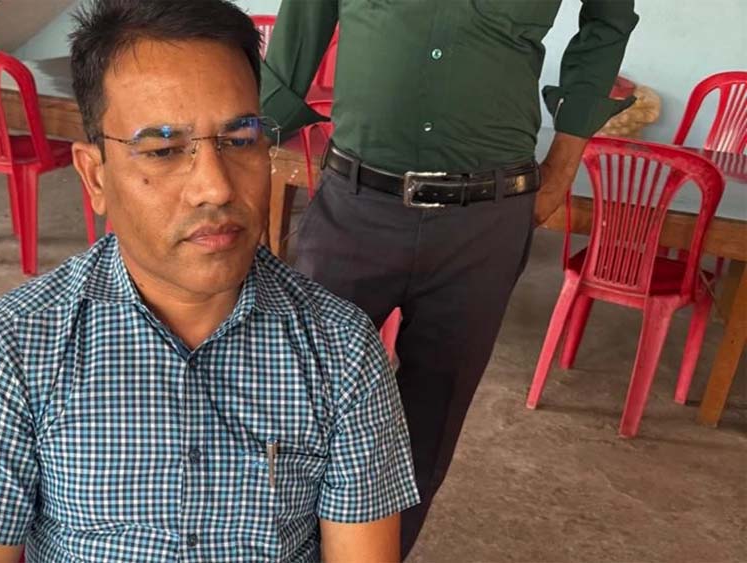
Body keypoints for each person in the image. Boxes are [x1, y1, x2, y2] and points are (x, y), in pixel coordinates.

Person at [0, 1, 418, 561]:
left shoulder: (341, 350)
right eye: (164, 150)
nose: (215, 188)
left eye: (240, 139)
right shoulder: (17, 347)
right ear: (95, 177)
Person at [261, 0, 638, 555]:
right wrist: (244, 150)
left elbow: (609, 20)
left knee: (430, 424)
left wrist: (564, 161)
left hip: (485, 222)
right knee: (294, 400)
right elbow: (297, 35)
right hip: (353, 207)